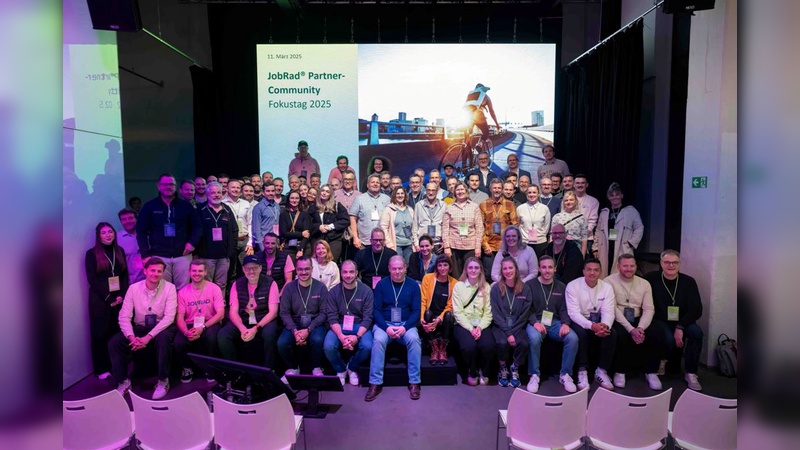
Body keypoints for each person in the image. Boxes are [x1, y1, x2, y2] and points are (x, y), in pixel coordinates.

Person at [109, 257, 177, 399]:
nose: (155, 274)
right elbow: (124, 316)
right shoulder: (133, 288)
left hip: (161, 326)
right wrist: (131, 337)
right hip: (140, 327)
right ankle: (123, 381)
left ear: (163, 273)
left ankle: (163, 380)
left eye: (159, 271)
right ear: (145, 271)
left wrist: (148, 337)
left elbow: (169, 317)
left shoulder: (170, 288)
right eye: (152, 270)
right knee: (115, 342)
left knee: (164, 339)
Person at [645, 250, 704, 391]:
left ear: (679, 264)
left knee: (697, 333)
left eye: (674, 262)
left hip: (683, 321)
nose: (671, 265)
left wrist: (681, 326)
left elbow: (696, 309)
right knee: (667, 338)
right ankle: (660, 362)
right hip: (659, 319)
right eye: (667, 262)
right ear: (661, 263)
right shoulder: (651, 279)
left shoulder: (688, 282)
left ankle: (691, 372)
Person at [366, 256, 423, 401]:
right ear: (389, 269)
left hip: (406, 324)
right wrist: (386, 328)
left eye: (400, 268)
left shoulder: (413, 285)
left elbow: (416, 311)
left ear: (405, 268)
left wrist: (405, 327)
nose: (397, 271)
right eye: (394, 268)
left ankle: (414, 382)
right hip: (385, 324)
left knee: (415, 340)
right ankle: (375, 383)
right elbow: (376, 310)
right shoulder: (381, 285)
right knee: (378, 341)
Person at [606, 254, 663, 390]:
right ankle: (620, 371)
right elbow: (612, 308)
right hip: (618, 317)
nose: (629, 269)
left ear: (636, 266)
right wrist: (630, 329)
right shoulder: (608, 282)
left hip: (639, 318)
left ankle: (651, 372)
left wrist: (640, 328)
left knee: (656, 332)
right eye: (625, 266)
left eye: (632, 266)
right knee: (620, 334)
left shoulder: (644, 283)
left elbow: (649, 309)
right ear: (618, 267)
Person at [136, 173, 202, 291]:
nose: (168, 187)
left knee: (183, 290)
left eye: (171, 184)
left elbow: (197, 226)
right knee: (162, 290)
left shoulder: (185, 206)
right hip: (159, 255)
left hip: (183, 255)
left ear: (176, 187)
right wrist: (145, 254)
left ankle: (181, 310)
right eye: (165, 184)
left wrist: (192, 243)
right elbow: (141, 231)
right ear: (159, 186)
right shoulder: (149, 206)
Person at [525, 255, 579, 393]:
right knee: (534, 338)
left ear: (555, 269)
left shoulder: (561, 286)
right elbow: (526, 308)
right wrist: (534, 323)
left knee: (572, 338)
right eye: (544, 267)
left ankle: (565, 374)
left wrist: (566, 324)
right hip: (535, 321)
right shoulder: (530, 285)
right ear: (539, 269)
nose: (547, 270)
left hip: (555, 322)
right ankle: (535, 375)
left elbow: (564, 308)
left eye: (550, 267)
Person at [218, 255, 280, 368]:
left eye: (255, 268)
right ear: (243, 269)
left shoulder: (271, 283)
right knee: (223, 335)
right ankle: (234, 369)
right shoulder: (237, 284)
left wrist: (256, 328)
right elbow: (233, 311)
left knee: (269, 334)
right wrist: (242, 329)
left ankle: (268, 370)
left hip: (263, 320)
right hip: (243, 319)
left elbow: (273, 312)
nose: (251, 271)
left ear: (261, 268)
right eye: (248, 268)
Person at [86, 222, 129, 379]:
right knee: (100, 334)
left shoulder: (120, 251)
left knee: (116, 332)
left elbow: (125, 275)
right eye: (104, 233)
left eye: (110, 231)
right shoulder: (91, 254)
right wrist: (109, 298)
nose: (108, 235)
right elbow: (92, 280)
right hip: (100, 300)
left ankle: (116, 365)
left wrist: (122, 295)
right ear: (98, 236)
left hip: (118, 298)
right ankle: (101, 368)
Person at [566, 258, 618, 391]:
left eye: (596, 270)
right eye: (589, 269)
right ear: (583, 271)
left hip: (599, 321)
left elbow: (608, 311)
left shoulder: (606, 287)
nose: (592, 273)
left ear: (600, 272)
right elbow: (573, 313)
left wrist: (604, 326)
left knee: (611, 333)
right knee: (581, 333)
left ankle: (601, 371)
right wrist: (591, 326)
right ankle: (582, 371)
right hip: (579, 320)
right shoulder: (573, 285)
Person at [278, 257, 329, 382]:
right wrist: (295, 330)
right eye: (300, 269)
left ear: (312, 269)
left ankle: (317, 367)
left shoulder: (321, 287)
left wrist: (309, 329)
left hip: (315, 322)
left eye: (307, 269)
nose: (304, 272)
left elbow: (324, 313)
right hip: (294, 323)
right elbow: (284, 313)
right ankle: (293, 368)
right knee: (282, 343)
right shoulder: (289, 288)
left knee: (317, 340)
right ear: (296, 270)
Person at [323, 260, 374, 386]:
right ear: (340, 273)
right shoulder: (334, 292)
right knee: (328, 346)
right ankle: (341, 369)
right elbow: (332, 317)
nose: (348, 275)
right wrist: (341, 336)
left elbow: (368, 318)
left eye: (351, 272)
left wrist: (357, 337)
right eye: (345, 272)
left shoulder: (366, 291)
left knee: (367, 346)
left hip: (359, 325)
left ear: (357, 273)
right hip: (339, 325)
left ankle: (352, 367)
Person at [174, 260, 225, 383]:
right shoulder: (182, 292)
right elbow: (180, 317)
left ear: (206, 272)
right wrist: (186, 332)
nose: (197, 273)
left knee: (211, 337)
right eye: (194, 271)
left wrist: (203, 327)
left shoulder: (214, 288)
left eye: (200, 271)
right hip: (190, 323)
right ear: (189, 272)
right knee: (178, 342)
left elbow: (220, 314)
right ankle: (187, 368)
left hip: (209, 321)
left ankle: (210, 368)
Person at [452, 257, 495, 386]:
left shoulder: (486, 287)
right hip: (463, 324)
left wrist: (479, 328)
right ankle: (472, 371)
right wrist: (471, 328)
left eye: (476, 268)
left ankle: (485, 371)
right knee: (469, 346)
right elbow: (458, 312)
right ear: (466, 269)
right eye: (470, 267)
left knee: (488, 345)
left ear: (481, 270)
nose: (473, 270)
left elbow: (488, 313)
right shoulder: (458, 286)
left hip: (482, 324)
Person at [490, 258, 532, 388]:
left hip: (518, 326)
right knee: (502, 343)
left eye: (510, 268)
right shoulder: (496, 288)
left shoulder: (525, 288)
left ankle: (514, 367)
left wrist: (513, 332)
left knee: (524, 343)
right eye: (505, 269)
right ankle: (503, 368)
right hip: (500, 326)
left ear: (516, 269)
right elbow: (496, 314)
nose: (508, 271)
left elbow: (525, 315)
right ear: (501, 271)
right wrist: (508, 334)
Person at [593, 183, 644, 278]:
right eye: (612, 195)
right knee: (604, 272)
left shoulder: (631, 211)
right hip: (605, 246)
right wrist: (595, 247)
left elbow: (639, 227)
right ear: (608, 197)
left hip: (622, 246)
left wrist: (631, 242)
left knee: (620, 272)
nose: (614, 197)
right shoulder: (604, 212)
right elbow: (598, 230)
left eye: (617, 194)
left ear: (621, 196)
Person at [196, 182, 239, 293]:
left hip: (224, 256)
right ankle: (207, 307)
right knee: (206, 283)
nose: (216, 195)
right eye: (213, 192)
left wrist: (231, 250)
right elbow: (195, 231)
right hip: (206, 256)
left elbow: (235, 230)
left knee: (222, 283)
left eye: (219, 192)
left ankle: (220, 306)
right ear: (207, 194)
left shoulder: (227, 210)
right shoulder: (200, 210)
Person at [419, 255, 456, 365]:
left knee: (449, 314)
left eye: (445, 265)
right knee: (427, 313)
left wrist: (439, 318)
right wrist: (421, 318)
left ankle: (443, 349)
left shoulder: (454, 283)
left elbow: (450, 305)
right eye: (440, 265)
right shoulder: (428, 278)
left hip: (443, 317)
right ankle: (434, 349)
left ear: (450, 267)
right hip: (430, 314)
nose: (442, 268)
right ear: (436, 267)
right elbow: (423, 300)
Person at [480, 179, 519, 280]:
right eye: (494, 188)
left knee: (507, 275)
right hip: (489, 247)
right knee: (488, 275)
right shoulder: (483, 204)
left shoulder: (510, 205)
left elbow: (514, 226)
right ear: (490, 189)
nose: (496, 190)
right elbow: (480, 227)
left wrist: (509, 245)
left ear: (502, 189)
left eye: (499, 188)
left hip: (505, 247)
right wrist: (485, 245)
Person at [442, 182, 483, 279]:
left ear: (466, 191)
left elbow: (479, 228)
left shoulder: (474, 207)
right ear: (454, 192)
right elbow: (445, 228)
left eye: (462, 189)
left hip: (471, 246)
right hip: (454, 246)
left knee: (471, 274)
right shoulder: (449, 207)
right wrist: (447, 247)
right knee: (456, 276)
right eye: (458, 190)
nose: (460, 192)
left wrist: (478, 247)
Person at [349, 174, 391, 251]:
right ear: (368, 185)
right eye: (372, 182)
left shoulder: (387, 199)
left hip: (383, 242)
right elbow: (352, 218)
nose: (375, 184)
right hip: (364, 242)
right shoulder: (359, 199)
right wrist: (355, 237)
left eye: (377, 182)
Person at [309, 184, 350, 262]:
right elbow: (308, 224)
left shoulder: (337, 206)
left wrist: (330, 226)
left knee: (331, 263)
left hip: (334, 239)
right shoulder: (313, 207)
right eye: (323, 191)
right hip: (317, 239)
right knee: (317, 264)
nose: (324, 193)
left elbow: (346, 220)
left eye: (327, 192)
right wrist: (319, 227)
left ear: (330, 194)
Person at [222, 179, 255, 275]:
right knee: (231, 270)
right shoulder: (222, 204)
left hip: (244, 240)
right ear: (227, 189)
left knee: (246, 268)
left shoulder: (246, 204)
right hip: (229, 241)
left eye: (238, 187)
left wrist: (250, 242)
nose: (236, 190)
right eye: (233, 187)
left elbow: (250, 223)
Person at [380, 187, 415, 264]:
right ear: (394, 195)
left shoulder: (410, 209)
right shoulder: (388, 209)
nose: (400, 195)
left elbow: (414, 228)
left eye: (402, 193)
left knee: (408, 267)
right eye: (398, 193)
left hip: (408, 244)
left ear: (405, 195)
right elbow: (383, 227)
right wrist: (389, 244)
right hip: (396, 245)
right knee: (397, 265)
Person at [463, 83, 500, 156]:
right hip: (478, 115)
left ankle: (465, 163)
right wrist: (497, 124)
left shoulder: (471, 95)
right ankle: (479, 145)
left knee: (467, 140)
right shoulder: (486, 96)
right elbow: (492, 112)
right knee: (486, 132)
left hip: (467, 115)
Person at [517, 184, 551, 256]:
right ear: (526, 194)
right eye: (529, 192)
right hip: (525, 242)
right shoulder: (520, 208)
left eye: (534, 192)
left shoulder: (545, 208)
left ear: (538, 194)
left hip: (540, 243)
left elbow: (546, 226)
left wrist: (540, 236)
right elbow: (518, 225)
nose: (532, 195)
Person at [412, 182, 446, 253]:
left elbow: (445, 226)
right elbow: (415, 226)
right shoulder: (419, 205)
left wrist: (444, 242)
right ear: (425, 191)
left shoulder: (443, 205)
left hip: (438, 244)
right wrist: (416, 243)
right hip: (423, 244)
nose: (430, 193)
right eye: (429, 190)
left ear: (437, 191)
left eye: (433, 190)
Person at [551, 191, 588, 256]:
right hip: (560, 248)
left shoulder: (582, 218)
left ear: (576, 201)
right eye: (566, 200)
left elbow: (584, 239)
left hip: (576, 248)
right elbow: (552, 235)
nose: (569, 202)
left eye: (571, 200)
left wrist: (582, 256)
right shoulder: (557, 217)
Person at [279, 191, 312, 258]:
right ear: (288, 199)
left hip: (303, 246)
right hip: (288, 246)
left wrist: (301, 249)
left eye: (297, 198)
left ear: (300, 200)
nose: (294, 200)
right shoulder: (283, 214)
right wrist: (301, 234)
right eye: (292, 198)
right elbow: (284, 233)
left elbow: (306, 235)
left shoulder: (304, 214)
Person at [251, 181, 281, 253]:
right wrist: (262, 247)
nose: (271, 193)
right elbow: (256, 230)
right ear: (263, 192)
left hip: (275, 242)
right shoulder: (258, 207)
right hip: (265, 244)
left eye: (272, 191)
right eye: (268, 191)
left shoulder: (277, 205)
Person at [573, 174, 599, 256]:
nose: (580, 185)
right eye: (577, 183)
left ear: (587, 185)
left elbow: (593, 221)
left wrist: (583, 234)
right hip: (571, 238)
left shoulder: (593, 201)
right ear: (574, 184)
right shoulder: (568, 199)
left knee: (584, 264)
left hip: (587, 239)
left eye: (582, 183)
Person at [117, 208, 144, 283]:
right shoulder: (117, 238)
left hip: (149, 279)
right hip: (129, 283)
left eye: (130, 218)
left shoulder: (146, 235)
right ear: (121, 222)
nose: (128, 221)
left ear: (136, 219)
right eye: (124, 219)